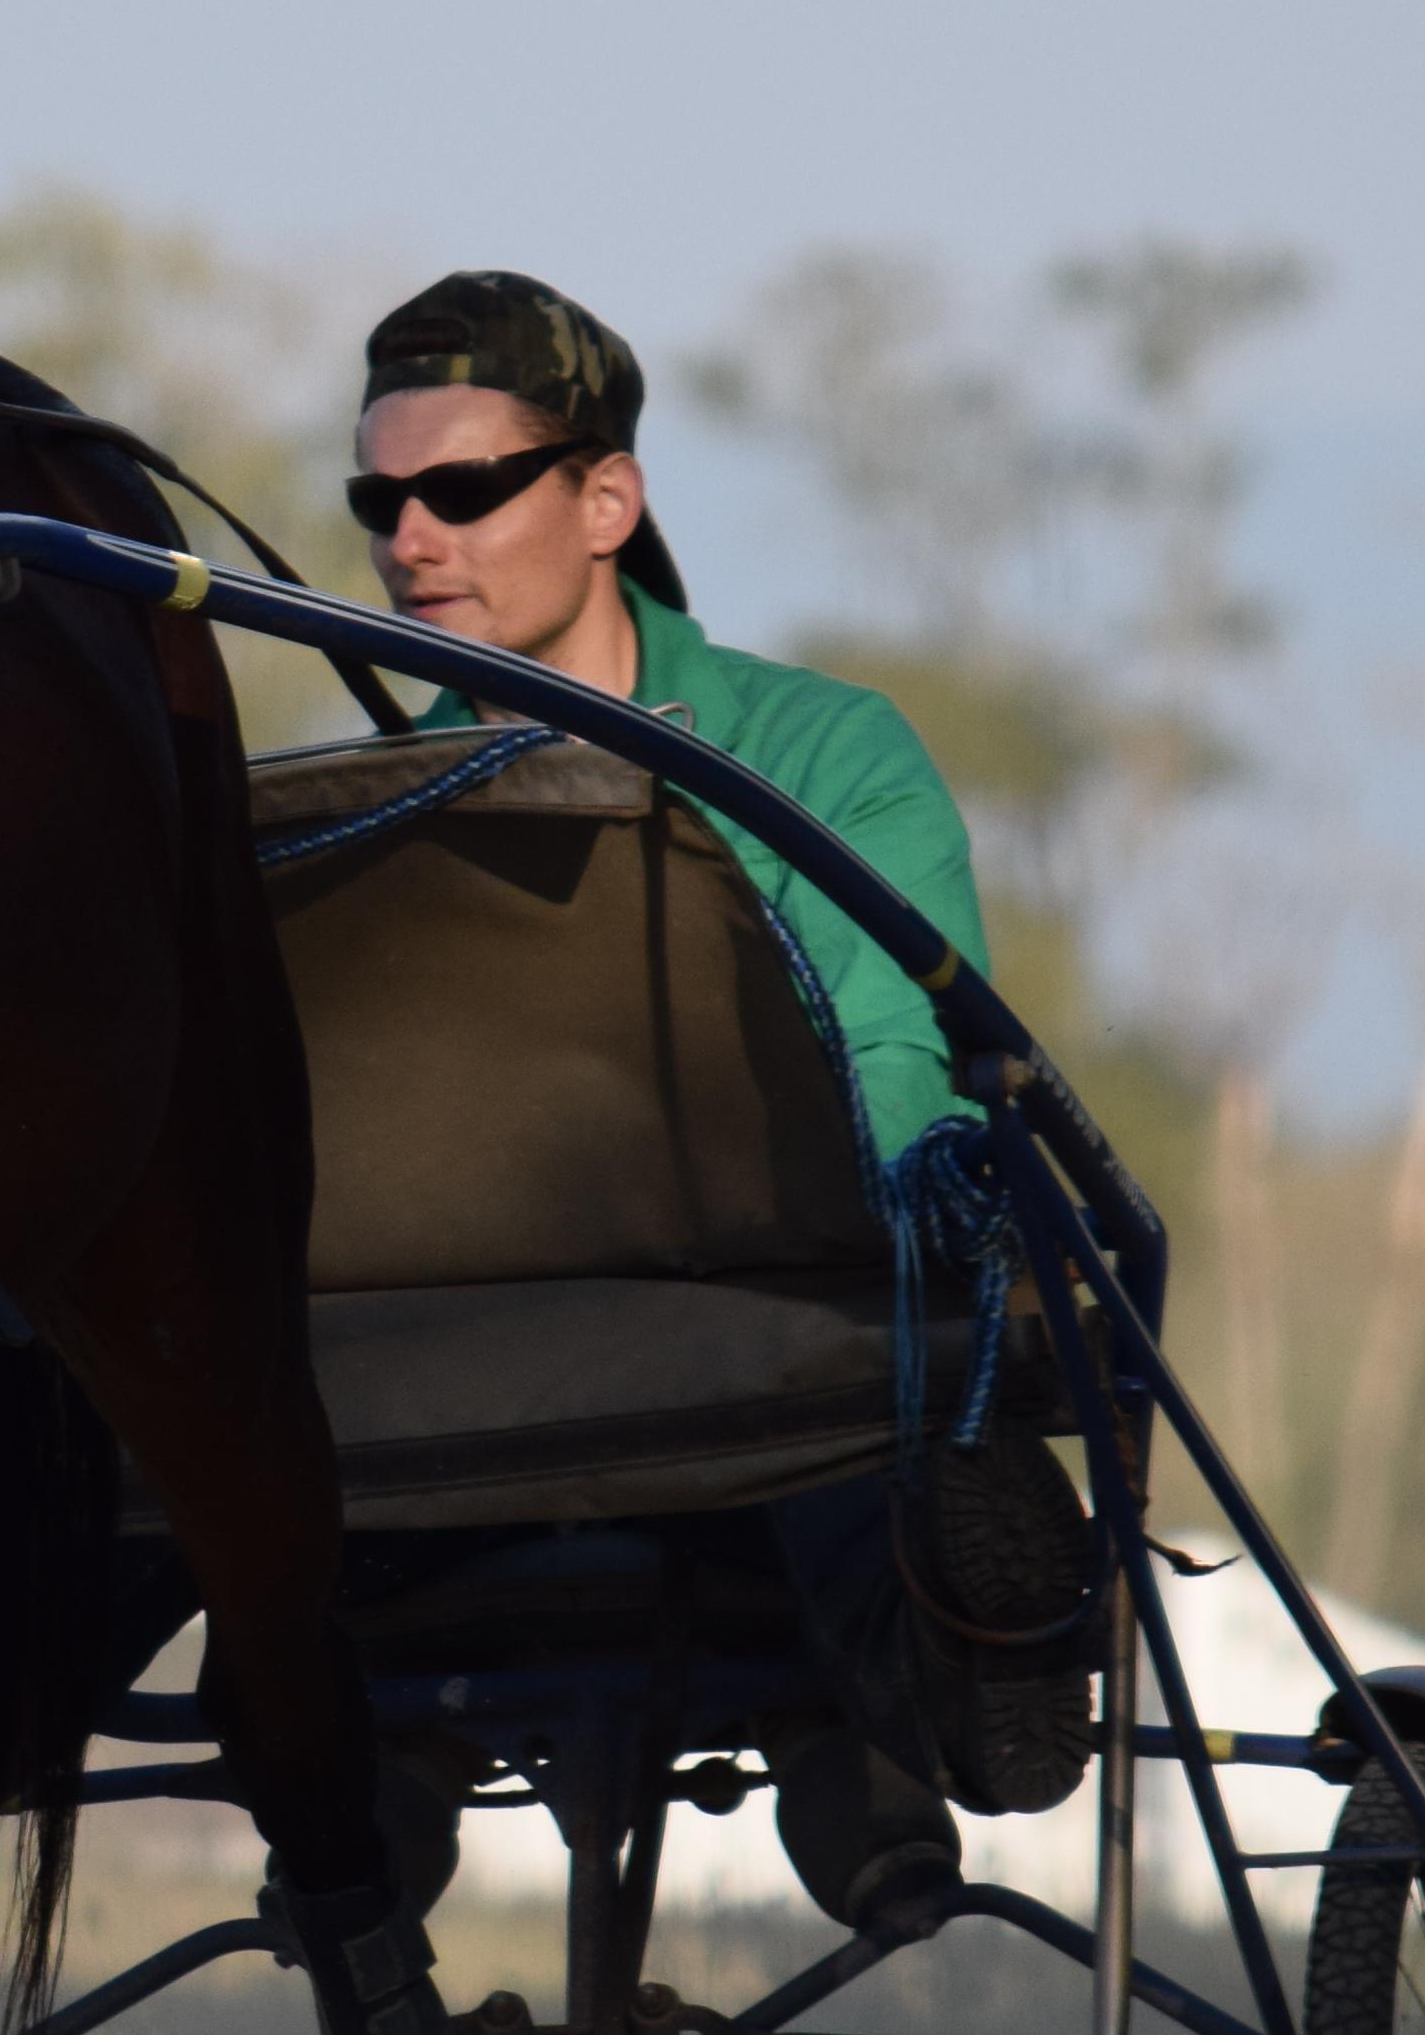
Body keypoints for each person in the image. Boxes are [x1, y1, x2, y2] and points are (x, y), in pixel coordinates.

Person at [346, 267, 1088, 1934]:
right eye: (379, 501)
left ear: (608, 497)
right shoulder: (344, 813)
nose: (410, 541)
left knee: (850, 1350)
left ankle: (915, 1695)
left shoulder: (827, 756)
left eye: (462, 491)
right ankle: (339, 1802)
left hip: (775, 1315)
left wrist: (908, 1213)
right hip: (460, 1369)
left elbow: (902, 1052)